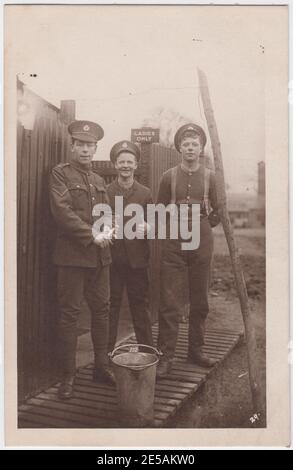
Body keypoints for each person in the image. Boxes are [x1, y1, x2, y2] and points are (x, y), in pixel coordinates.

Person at [49, 120, 115, 400]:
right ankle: (68, 376)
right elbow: (61, 212)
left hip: (100, 259)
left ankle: (101, 367)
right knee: (70, 316)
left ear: (96, 148)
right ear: (72, 146)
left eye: (90, 145)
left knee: (102, 312)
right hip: (72, 257)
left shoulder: (100, 181)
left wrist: (108, 229)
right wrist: (92, 235)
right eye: (81, 144)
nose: (86, 150)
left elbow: (106, 212)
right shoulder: (60, 174)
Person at [156, 123, 220, 378]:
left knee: (200, 299)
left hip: (201, 239)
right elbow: (159, 209)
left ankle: (196, 350)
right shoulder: (168, 176)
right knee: (170, 300)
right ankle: (166, 356)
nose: (190, 148)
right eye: (186, 144)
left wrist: (204, 223)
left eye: (195, 144)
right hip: (174, 240)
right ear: (179, 148)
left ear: (201, 148)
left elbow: (218, 209)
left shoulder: (210, 176)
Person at [107, 140, 154, 353]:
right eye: (121, 161)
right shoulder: (105, 191)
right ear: (115, 165)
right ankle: (105, 354)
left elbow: (155, 225)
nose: (125, 165)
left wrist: (148, 227)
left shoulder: (145, 193)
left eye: (129, 162)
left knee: (140, 307)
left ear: (136, 165)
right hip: (112, 261)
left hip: (137, 261)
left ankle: (147, 352)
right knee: (110, 308)